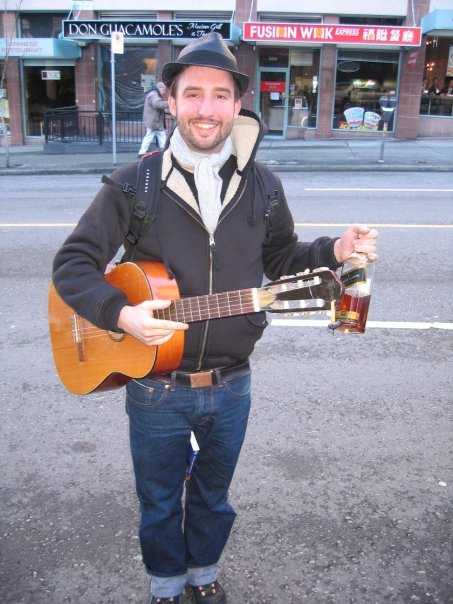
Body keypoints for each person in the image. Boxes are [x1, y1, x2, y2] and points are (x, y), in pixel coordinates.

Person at [52, 32, 378, 604]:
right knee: (157, 501)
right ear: (170, 100)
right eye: (194, 94)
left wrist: (334, 250)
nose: (207, 108)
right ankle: (166, 587)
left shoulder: (263, 186)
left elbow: (281, 261)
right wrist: (120, 313)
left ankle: (203, 577)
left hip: (233, 383)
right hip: (156, 386)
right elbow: (73, 265)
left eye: (221, 95)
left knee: (213, 497)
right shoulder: (135, 184)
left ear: (236, 104)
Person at [138, 81, 169, 157]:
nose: (164, 92)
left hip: (154, 121)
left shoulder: (153, 94)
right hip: (154, 121)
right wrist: (169, 103)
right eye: (163, 90)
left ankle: (143, 152)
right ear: (160, 88)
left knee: (153, 136)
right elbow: (157, 104)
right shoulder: (154, 95)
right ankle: (164, 151)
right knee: (154, 136)